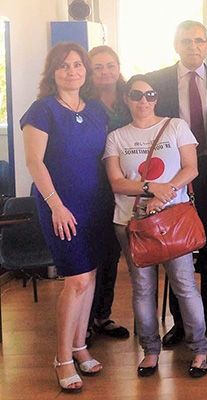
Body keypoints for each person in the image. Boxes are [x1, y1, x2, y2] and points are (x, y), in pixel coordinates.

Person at [104, 74, 207, 378]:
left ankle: (199, 349)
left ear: (156, 98)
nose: (143, 101)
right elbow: (116, 182)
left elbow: (191, 168)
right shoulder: (117, 137)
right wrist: (152, 187)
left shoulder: (176, 126)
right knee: (142, 289)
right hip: (131, 224)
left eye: (150, 95)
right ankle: (150, 351)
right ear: (127, 98)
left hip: (172, 220)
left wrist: (166, 192)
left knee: (185, 287)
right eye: (136, 95)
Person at [22, 42, 111, 393]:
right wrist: (56, 205)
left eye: (78, 65)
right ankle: (62, 358)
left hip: (95, 204)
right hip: (61, 205)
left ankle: (79, 346)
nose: (72, 71)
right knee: (74, 280)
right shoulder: (42, 110)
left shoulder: (96, 111)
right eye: (64, 66)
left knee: (88, 277)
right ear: (52, 72)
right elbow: (34, 162)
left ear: (85, 71)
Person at [146, 20, 207, 346]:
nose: (193, 46)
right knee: (176, 247)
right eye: (187, 40)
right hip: (173, 178)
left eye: (200, 40)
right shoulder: (156, 82)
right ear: (175, 44)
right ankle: (180, 321)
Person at [86, 45, 128, 340]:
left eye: (110, 65)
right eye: (98, 66)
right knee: (91, 256)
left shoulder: (130, 97)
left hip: (125, 186)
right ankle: (84, 321)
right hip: (91, 185)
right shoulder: (82, 101)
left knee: (112, 254)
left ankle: (103, 315)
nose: (105, 72)